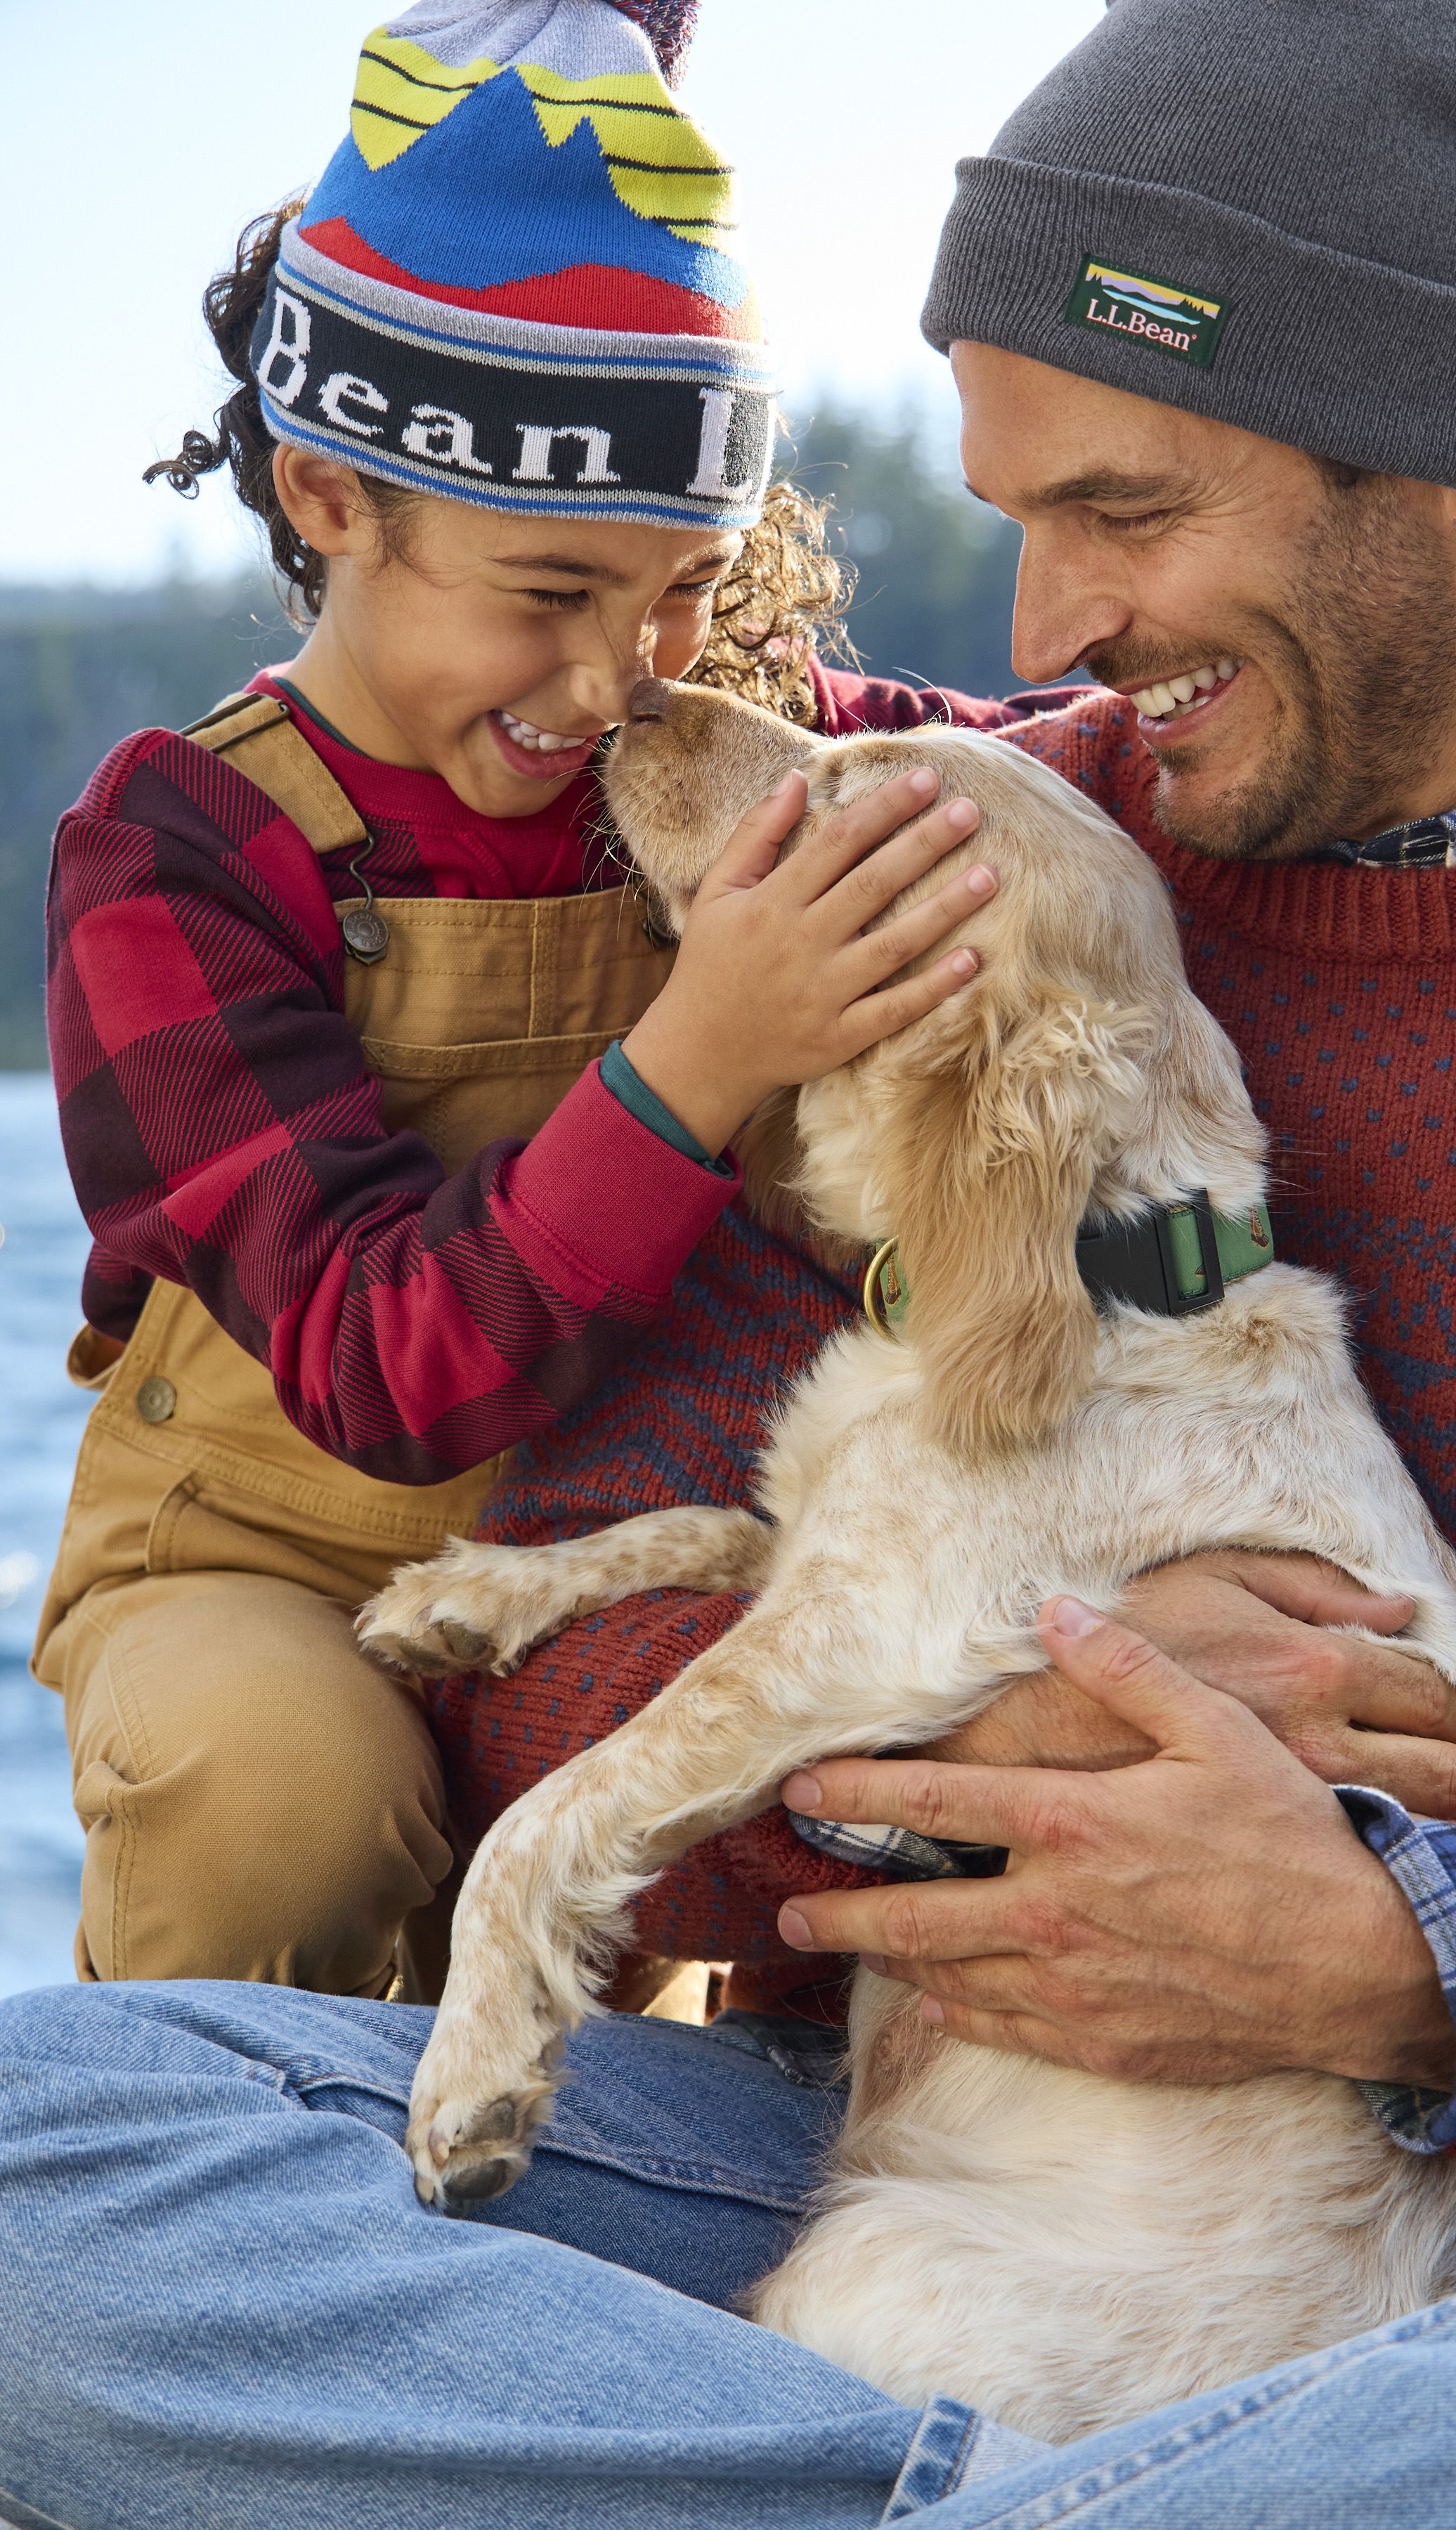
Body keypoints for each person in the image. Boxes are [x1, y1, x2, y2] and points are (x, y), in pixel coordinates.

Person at [4, 0, 1456, 2520]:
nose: (1052, 620)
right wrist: (943, 1759)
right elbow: (506, 1659)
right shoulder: (959, 872)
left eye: (1125, 505)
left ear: (1441, 450)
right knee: (45, 2152)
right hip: (904, 2148)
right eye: (1014, 509)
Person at [30, 0, 1007, 2002]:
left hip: (622, 1543)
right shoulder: (180, 853)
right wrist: (702, 1050)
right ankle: (188, 2254)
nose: (611, 683)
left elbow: (1063, 775)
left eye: (680, 591)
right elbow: (386, 1369)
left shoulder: (713, 749)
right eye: (546, 593)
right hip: (276, 1568)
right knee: (280, 1793)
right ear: (326, 498)